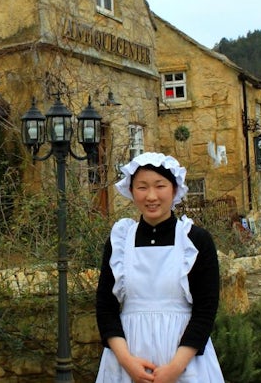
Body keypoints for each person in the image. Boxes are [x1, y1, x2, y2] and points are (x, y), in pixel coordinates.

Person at [95, 152, 224, 383]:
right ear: (131, 190)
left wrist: (175, 367)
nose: (151, 196)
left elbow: (206, 309)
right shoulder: (120, 241)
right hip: (127, 360)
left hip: (184, 360)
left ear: (174, 189)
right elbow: (106, 308)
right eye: (142, 187)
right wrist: (127, 362)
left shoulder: (195, 240)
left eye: (160, 186)